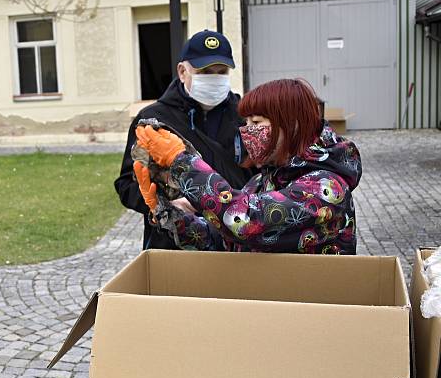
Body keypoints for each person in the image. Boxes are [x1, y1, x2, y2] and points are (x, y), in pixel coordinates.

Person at [132, 78, 362, 254]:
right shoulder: (263, 181)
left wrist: (181, 163)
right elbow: (229, 241)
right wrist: (172, 216)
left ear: (292, 125)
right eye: (245, 123)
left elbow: (250, 221)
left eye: (257, 122)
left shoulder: (326, 187)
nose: (247, 131)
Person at [115, 29, 254, 250]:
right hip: (172, 242)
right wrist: (166, 206)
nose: (214, 78)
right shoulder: (152, 120)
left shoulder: (245, 117)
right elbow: (127, 185)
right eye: (206, 71)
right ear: (182, 71)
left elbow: (262, 179)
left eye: (222, 72)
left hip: (233, 240)